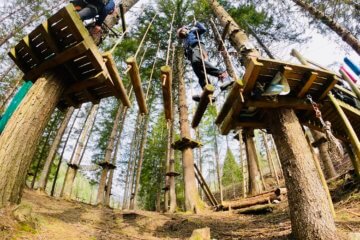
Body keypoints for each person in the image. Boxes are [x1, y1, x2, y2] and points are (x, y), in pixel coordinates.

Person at [177, 22, 233, 101]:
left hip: (197, 47)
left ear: (186, 29)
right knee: (198, 72)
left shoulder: (193, 31)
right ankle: (207, 91)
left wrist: (197, 24)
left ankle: (223, 75)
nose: (181, 34)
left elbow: (203, 29)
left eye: (181, 31)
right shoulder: (185, 40)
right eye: (180, 33)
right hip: (191, 53)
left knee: (197, 61)